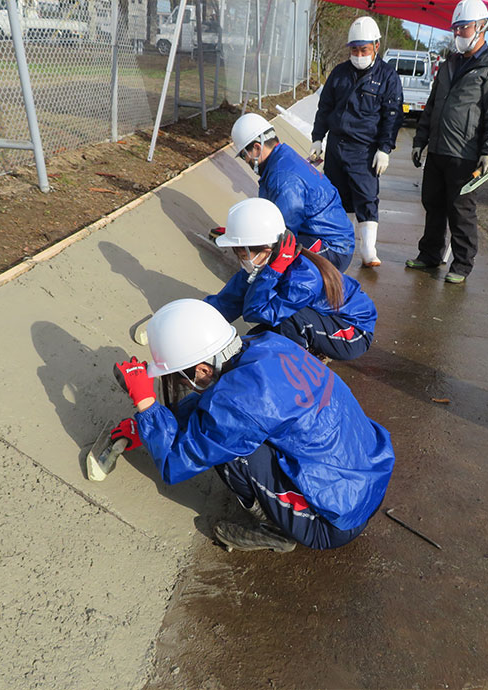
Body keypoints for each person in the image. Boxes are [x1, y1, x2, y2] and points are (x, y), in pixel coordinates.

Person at [110, 298, 395, 552]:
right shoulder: (267, 345)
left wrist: (147, 406)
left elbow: (175, 463)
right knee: (227, 428)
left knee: (234, 454)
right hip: (367, 484)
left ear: (202, 369)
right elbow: (212, 403)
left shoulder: (242, 401)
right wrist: (155, 425)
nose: (184, 385)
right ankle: (284, 509)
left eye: (181, 378)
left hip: (333, 522)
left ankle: (276, 529)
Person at [407, 0, 488, 284]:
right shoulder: (450, 62)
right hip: (439, 148)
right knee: (433, 204)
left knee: (461, 210)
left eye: (464, 27)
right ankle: (430, 255)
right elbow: (432, 105)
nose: (459, 33)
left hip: (465, 153)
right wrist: (420, 139)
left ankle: (461, 265)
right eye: (456, 28)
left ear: (482, 27)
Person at [207, 198, 377, 362]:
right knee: (251, 342)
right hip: (318, 318)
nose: (240, 260)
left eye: (243, 255)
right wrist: (197, 321)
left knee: (288, 322)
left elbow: (257, 312)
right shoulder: (264, 263)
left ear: (266, 249)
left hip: (352, 331)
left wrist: (271, 274)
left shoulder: (303, 279)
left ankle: (299, 369)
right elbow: (226, 302)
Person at [309, 16, 403, 268]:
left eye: (364, 49)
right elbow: (325, 107)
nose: (359, 54)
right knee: (337, 197)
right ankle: (342, 243)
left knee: (366, 197)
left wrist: (384, 149)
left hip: (365, 150)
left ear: (376, 46)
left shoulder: (387, 76)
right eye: (354, 49)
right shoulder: (339, 73)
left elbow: (392, 115)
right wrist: (318, 138)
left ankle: (368, 248)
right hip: (337, 146)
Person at [229, 113, 355, 272]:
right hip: (329, 239)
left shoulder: (284, 178)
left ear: (256, 148)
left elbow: (283, 230)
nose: (245, 160)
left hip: (332, 249)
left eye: (243, 155)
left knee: (275, 263)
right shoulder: (282, 158)